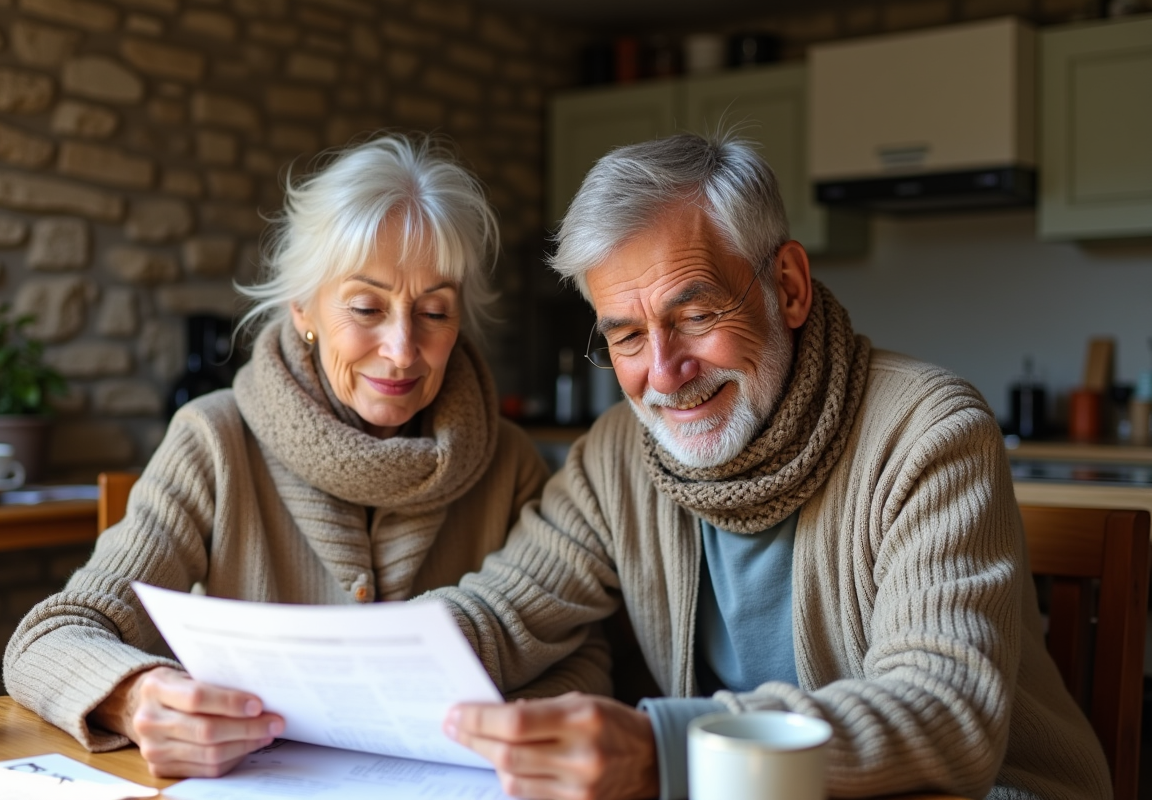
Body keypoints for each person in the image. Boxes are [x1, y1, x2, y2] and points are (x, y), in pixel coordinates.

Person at [431, 132, 1112, 800]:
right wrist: (353, 667)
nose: (665, 374)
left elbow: (946, 712)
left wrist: (667, 750)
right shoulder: (616, 453)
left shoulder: (929, 431)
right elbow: (502, 612)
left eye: (695, 315)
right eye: (629, 337)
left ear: (786, 287)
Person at [4, 134, 607, 778]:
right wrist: (134, 697)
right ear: (302, 307)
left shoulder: (509, 459)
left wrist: (497, 736)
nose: (403, 349)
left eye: (434, 311)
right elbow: (50, 638)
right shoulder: (214, 440)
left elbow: (581, 655)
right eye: (366, 307)